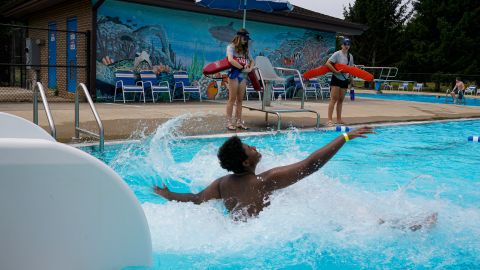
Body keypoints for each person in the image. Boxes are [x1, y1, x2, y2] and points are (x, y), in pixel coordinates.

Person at [154, 127, 374, 219]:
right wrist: (345, 137)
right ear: (246, 161)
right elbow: (310, 165)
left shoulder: (221, 184)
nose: (255, 148)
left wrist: (168, 194)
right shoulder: (263, 181)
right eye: (250, 148)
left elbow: (195, 199)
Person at [225, 28, 255, 131]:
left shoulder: (246, 50)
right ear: (239, 37)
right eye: (244, 38)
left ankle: (239, 122)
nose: (246, 40)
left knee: (240, 100)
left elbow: (252, 61)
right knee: (232, 99)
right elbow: (230, 60)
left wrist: (250, 69)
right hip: (234, 75)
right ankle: (229, 122)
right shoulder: (231, 47)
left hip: (243, 77)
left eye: (247, 39)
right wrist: (242, 68)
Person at [325, 37, 354, 127]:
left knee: (341, 100)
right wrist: (335, 71)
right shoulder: (337, 54)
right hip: (336, 78)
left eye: (348, 44)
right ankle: (329, 120)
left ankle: (339, 119)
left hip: (345, 79)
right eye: (345, 44)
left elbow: (350, 69)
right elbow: (328, 63)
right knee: (333, 99)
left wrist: (351, 80)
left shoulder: (350, 56)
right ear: (342, 45)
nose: (347, 46)